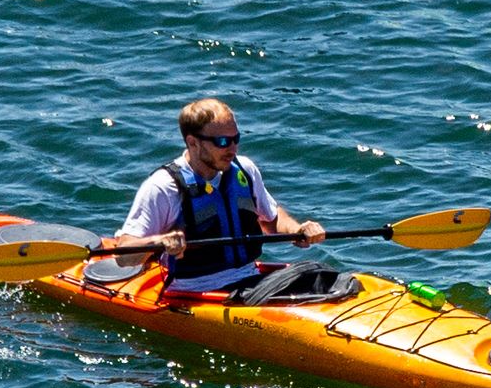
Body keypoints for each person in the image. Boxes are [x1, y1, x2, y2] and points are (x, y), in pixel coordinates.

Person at [97, 98, 325, 293]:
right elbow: (124, 255)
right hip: (196, 291)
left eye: (236, 139)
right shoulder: (163, 187)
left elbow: (272, 219)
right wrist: (159, 242)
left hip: (251, 279)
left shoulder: (244, 169)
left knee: (323, 276)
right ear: (192, 142)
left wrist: (298, 230)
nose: (233, 148)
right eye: (223, 142)